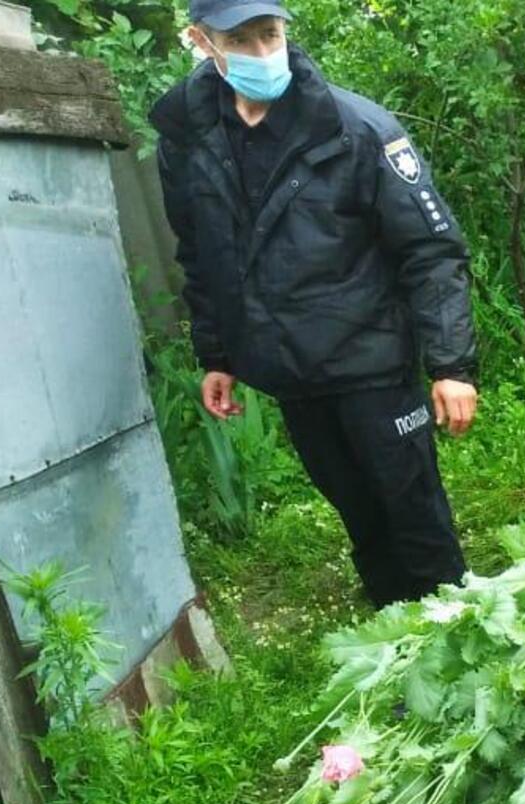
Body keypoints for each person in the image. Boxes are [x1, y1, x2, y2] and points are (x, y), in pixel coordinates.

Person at [150, 0, 479, 608]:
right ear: (202, 40)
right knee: (355, 506)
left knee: (411, 508)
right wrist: (217, 355)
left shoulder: (355, 129)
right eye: (241, 40)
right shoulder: (189, 139)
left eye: (269, 34)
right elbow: (200, 252)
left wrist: (451, 365)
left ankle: (456, 629)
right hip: (291, 369)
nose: (262, 52)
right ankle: (393, 627)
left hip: (371, 358)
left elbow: (431, 251)